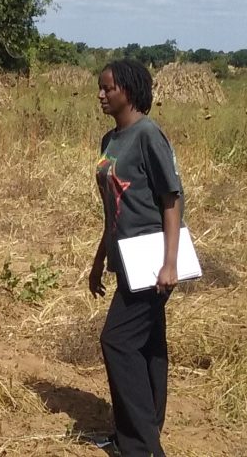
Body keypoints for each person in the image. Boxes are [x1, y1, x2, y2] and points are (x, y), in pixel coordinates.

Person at [90, 58, 182, 457]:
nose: (101, 94)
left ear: (128, 89)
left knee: (117, 341)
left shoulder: (148, 135)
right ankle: (134, 431)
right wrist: (98, 259)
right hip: (122, 256)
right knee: (147, 347)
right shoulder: (109, 141)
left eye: (108, 87)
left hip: (150, 258)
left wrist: (170, 262)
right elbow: (114, 207)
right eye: (100, 87)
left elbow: (171, 199)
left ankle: (141, 445)